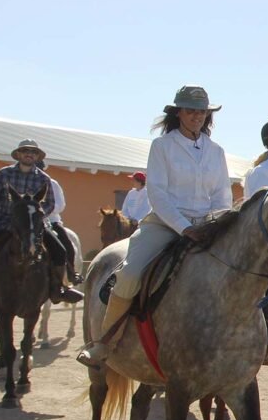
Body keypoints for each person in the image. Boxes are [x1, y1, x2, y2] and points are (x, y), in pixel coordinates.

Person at [77, 84, 232, 367]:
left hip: (208, 226)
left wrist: (213, 223)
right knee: (130, 273)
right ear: (178, 113)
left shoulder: (217, 151)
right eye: (190, 110)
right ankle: (104, 342)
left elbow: (223, 194)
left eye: (202, 111)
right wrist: (185, 227)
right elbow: (157, 193)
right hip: (165, 224)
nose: (197, 116)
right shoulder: (162, 146)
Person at [0, 140, 83, 304]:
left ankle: (58, 289)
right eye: (25, 151)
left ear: (37, 156)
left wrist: (35, 217)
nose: (29, 154)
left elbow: (50, 203)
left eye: (33, 152)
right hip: (3, 223)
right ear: (18, 154)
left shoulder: (44, 179)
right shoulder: (4, 174)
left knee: (60, 251)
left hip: (33, 227)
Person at [43, 172, 83, 284]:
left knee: (67, 245)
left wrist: (44, 210)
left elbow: (60, 204)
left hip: (51, 221)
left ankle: (71, 273)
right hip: (29, 222)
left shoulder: (52, 183)